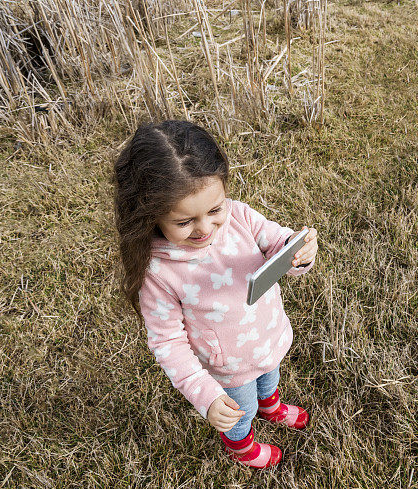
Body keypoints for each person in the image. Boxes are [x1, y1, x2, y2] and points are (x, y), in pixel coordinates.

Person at [111, 119, 318, 469]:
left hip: (268, 336)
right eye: (184, 222)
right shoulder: (158, 272)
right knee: (240, 412)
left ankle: (271, 405)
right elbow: (167, 343)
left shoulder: (239, 216)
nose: (205, 228)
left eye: (214, 210)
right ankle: (242, 446)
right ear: (150, 214)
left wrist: (295, 252)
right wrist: (206, 397)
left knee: (270, 376)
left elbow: (275, 242)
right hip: (227, 369)